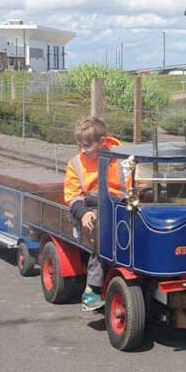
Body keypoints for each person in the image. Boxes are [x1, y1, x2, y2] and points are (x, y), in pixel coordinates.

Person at [64, 116, 122, 310]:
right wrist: (84, 213)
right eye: (79, 145)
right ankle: (93, 288)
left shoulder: (121, 156)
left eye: (87, 146)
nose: (82, 150)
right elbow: (72, 196)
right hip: (89, 207)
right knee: (101, 230)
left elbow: (134, 182)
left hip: (119, 203)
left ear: (102, 142)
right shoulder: (75, 164)